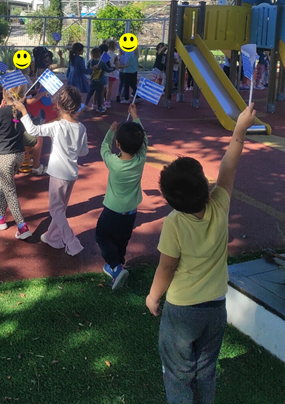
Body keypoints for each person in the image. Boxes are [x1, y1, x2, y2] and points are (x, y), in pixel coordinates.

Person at [146, 104, 257, 404]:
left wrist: (153, 297)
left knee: (178, 373)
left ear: (170, 200)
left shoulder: (174, 223)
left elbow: (166, 268)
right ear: (207, 189)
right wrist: (240, 128)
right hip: (216, 307)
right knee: (206, 370)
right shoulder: (220, 204)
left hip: (182, 310)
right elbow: (228, 166)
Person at [14, 85, 88, 255]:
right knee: (60, 208)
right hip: (71, 174)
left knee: (56, 210)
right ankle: (53, 237)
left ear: (59, 105)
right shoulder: (81, 128)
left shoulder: (57, 126)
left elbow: (33, 130)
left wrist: (24, 111)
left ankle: (72, 242)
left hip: (58, 174)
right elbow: (83, 151)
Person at [96, 103, 147, 289]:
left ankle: (115, 267)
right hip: (131, 211)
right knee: (122, 239)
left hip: (112, 210)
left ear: (118, 144)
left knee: (102, 236)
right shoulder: (141, 158)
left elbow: (104, 148)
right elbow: (144, 139)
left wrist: (111, 131)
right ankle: (120, 264)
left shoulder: (114, 162)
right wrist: (135, 115)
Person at [0, 85, 32, 240]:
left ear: (4, 95)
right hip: (19, 155)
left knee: (9, 190)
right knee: (4, 184)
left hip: (5, 156)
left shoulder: (1, 112)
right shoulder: (24, 112)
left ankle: (22, 226)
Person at [85, 47, 112, 113]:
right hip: (100, 82)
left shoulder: (90, 62)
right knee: (99, 95)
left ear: (91, 55)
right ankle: (99, 107)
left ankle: (85, 105)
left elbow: (87, 70)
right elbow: (108, 70)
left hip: (92, 81)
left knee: (89, 94)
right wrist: (115, 68)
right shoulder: (102, 63)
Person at [105, 40, 119, 108]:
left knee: (104, 87)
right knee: (109, 88)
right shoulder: (115, 56)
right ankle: (107, 101)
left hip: (105, 73)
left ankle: (103, 100)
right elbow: (117, 65)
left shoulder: (105, 54)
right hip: (112, 73)